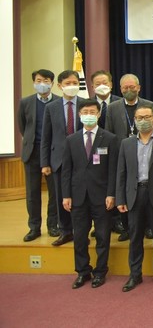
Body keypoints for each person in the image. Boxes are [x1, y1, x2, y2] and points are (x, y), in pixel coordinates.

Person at [116, 104, 153, 292]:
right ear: (134, 120)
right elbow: (121, 173)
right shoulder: (126, 144)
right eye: (139, 118)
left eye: (147, 117)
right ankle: (135, 275)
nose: (143, 121)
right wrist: (120, 199)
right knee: (135, 237)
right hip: (134, 195)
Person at [61, 100, 119, 289]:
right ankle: (82, 271)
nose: (88, 115)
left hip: (102, 197)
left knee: (102, 236)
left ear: (99, 114)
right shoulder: (71, 140)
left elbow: (113, 170)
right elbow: (66, 171)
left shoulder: (110, 138)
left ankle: (100, 272)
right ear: (79, 115)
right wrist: (66, 195)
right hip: (78, 196)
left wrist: (111, 194)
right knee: (79, 237)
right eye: (85, 112)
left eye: (92, 112)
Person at [105, 73, 153, 242]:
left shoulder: (149, 105)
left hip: (145, 153)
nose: (129, 90)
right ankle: (126, 227)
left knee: (145, 193)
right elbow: (109, 133)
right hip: (122, 156)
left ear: (139, 88)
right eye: (125, 87)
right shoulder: (112, 107)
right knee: (126, 192)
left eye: (132, 87)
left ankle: (148, 226)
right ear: (120, 89)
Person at [40, 69, 83, 246]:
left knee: (80, 198)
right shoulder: (51, 107)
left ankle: (80, 232)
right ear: (59, 86)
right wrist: (45, 163)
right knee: (60, 198)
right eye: (67, 83)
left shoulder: (86, 104)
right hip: (58, 160)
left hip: (81, 160)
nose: (71, 86)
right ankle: (65, 231)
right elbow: (46, 137)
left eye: (75, 83)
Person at [18, 69, 59, 241]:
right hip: (32, 152)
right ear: (34, 82)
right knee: (32, 193)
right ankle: (34, 228)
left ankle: (53, 225)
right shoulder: (25, 102)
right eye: (39, 80)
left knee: (54, 193)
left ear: (52, 83)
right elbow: (23, 126)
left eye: (46, 80)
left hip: (53, 153)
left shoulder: (59, 102)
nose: (42, 84)